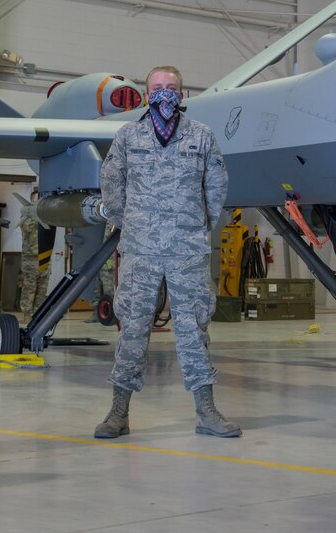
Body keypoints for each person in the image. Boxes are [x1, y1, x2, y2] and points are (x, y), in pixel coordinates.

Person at [95, 65, 240, 439]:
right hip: (141, 249)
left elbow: (217, 187)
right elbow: (111, 183)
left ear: (182, 93)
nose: (164, 93)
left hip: (186, 248)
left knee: (194, 328)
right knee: (133, 329)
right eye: (158, 87)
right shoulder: (128, 136)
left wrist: (196, 224)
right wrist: (130, 222)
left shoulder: (201, 137)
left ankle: (207, 413)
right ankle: (118, 413)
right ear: (147, 94)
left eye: (171, 87)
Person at [18, 189, 50, 320]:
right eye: (37, 200)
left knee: (42, 288)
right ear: (32, 201)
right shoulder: (27, 216)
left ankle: (38, 314)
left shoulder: (46, 215)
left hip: (45, 257)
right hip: (30, 258)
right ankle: (27, 313)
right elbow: (27, 229)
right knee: (29, 287)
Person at [85, 222, 117, 323]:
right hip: (96, 254)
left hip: (109, 256)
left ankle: (111, 313)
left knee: (108, 284)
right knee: (95, 283)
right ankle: (97, 311)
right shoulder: (96, 220)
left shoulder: (113, 219)